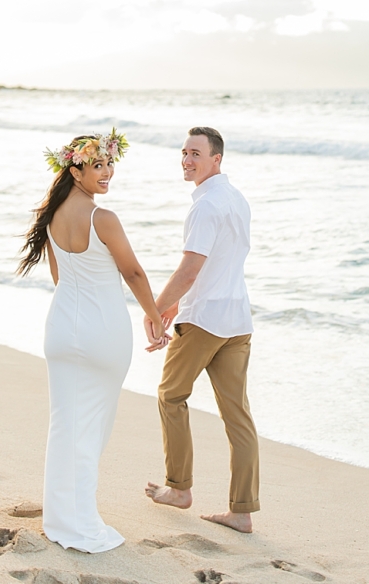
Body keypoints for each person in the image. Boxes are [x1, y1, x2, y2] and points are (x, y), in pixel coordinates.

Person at [17, 130, 169, 553]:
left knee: (66, 423)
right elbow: (133, 273)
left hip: (62, 327)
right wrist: (155, 317)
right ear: (74, 169)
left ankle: (61, 518)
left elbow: (60, 279)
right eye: (97, 165)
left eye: (108, 163)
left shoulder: (51, 216)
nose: (107, 172)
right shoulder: (103, 218)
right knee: (92, 428)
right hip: (103, 332)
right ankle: (80, 523)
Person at [144, 126, 260, 533]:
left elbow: (191, 269)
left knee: (170, 395)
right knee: (238, 416)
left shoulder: (205, 206)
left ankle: (179, 488)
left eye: (196, 153)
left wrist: (153, 310)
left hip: (204, 322)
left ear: (217, 159)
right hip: (237, 320)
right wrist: (173, 305)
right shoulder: (237, 200)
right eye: (184, 152)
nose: (187, 160)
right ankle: (241, 512)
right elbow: (217, 266)